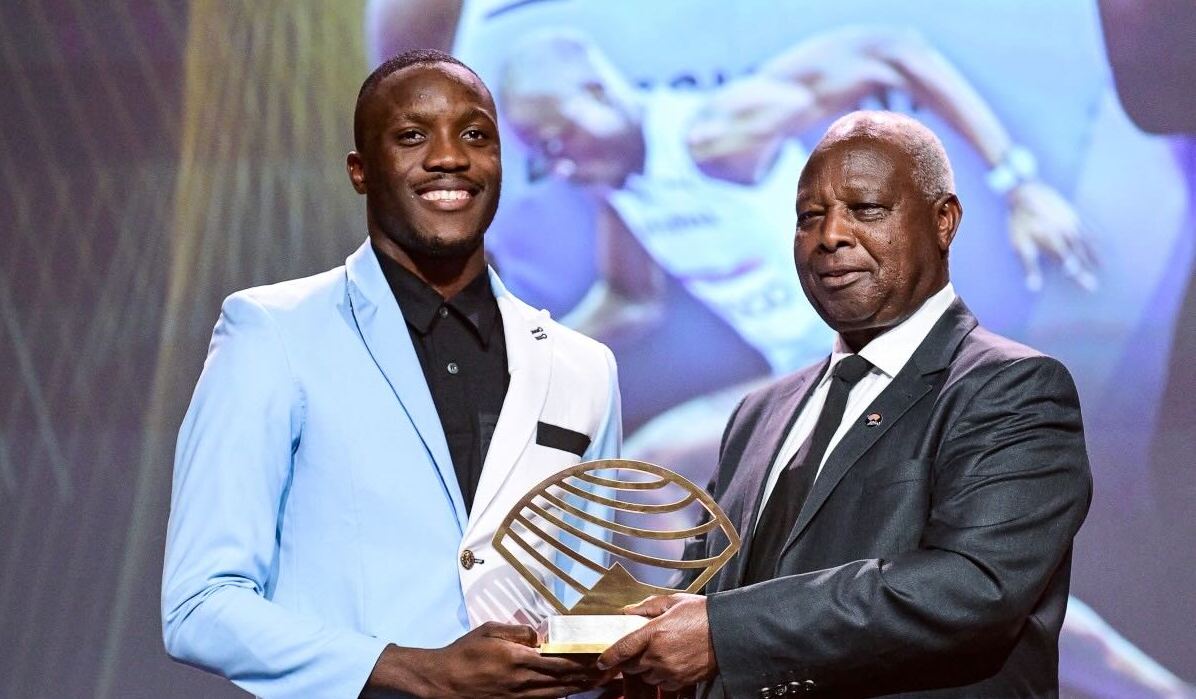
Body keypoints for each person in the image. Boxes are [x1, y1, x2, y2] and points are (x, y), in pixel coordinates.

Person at [161, 49, 620, 698]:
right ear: (360, 171)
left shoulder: (583, 365)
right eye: (411, 136)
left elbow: (588, 598)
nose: (448, 157)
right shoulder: (273, 333)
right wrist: (415, 670)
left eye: (475, 135)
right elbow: (199, 604)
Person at [597, 112, 1093, 697]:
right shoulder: (759, 414)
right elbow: (706, 603)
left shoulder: (1014, 389)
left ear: (944, 221)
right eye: (810, 216)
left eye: (866, 210)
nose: (830, 235)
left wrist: (725, 633)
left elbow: (971, 585)